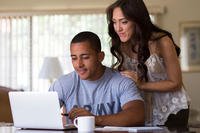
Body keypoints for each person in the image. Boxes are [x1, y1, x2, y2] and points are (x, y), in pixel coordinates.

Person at [106, 0, 190, 127]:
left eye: (124, 22)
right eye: (114, 22)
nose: (118, 28)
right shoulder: (121, 44)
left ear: (137, 20)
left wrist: (142, 84)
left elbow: (176, 83)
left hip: (172, 110)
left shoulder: (162, 41)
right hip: (143, 110)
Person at [49, 31, 144, 126]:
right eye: (74, 58)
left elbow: (137, 115)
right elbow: (41, 113)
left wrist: (95, 119)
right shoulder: (62, 84)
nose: (79, 64)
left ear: (100, 57)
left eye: (85, 57)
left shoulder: (121, 81)